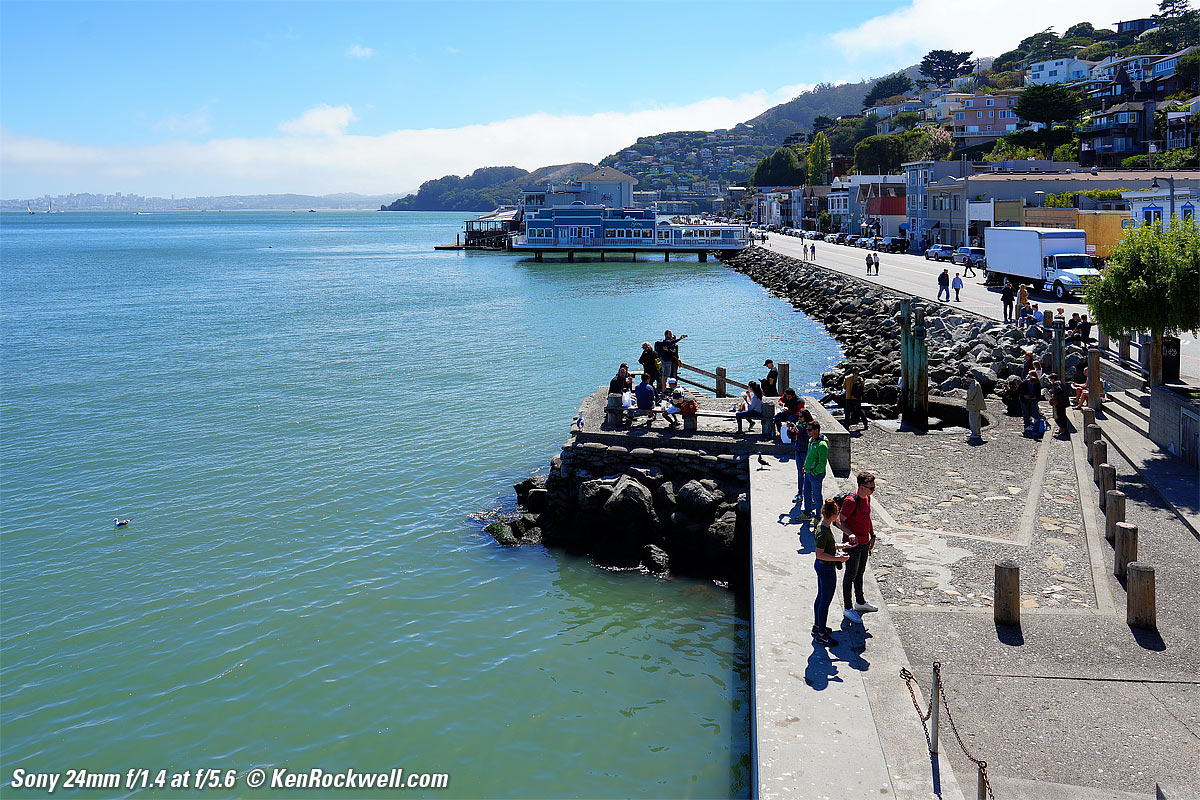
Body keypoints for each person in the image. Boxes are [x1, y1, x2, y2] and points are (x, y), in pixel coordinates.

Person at [837, 472, 878, 625]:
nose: (873, 491)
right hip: (852, 545)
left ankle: (860, 602)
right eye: (871, 488)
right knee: (850, 575)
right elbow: (839, 521)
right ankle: (848, 608)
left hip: (864, 542)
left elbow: (867, 517)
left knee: (860, 573)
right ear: (861, 487)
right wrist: (850, 534)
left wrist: (872, 535)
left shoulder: (867, 497)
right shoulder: (850, 501)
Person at [812, 498, 850, 647]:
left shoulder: (823, 526)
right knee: (825, 601)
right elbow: (819, 553)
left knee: (820, 597)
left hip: (823, 567)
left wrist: (841, 546)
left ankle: (818, 627)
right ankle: (821, 635)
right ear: (834, 514)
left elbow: (827, 546)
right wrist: (838, 558)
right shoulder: (823, 531)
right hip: (825, 568)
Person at [801, 421, 828, 521]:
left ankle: (818, 516)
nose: (808, 432)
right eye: (807, 429)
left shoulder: (822, 445)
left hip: (816, 474)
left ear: (816, 430)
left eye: (810, 430)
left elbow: (822, 463)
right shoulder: (811, 440)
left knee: (817, 495)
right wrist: (805, 466)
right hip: (808, 472)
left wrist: (814, 472)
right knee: (806, 492)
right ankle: (807, 512)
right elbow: (809, 455)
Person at [965, 373, 986, 443]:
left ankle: (974, 433)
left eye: (967, 377)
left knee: (973, 420)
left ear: (970, 378)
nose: (966, 379)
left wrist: (966, 398)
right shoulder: (976, 383)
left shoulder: (973, 384)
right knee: (977, 419)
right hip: (976, 404)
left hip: (973, 405)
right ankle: (977, 433)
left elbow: (971, 395)